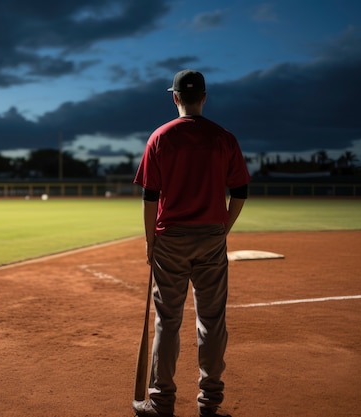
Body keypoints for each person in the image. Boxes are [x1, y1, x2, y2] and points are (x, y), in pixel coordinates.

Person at [131, 69, 251, 417]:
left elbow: (150, 197)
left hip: (170, 237)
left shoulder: (160, 137)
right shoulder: (223, 138)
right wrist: (223, 229)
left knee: (167, 320)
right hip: (211, 235)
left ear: (175, 98)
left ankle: (161, 402)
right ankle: (210, 405)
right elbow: (240, 191)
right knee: (212, 321)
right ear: (204, 97)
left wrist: (150, 242)